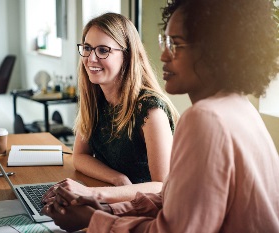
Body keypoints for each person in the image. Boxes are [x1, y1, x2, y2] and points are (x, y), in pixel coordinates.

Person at [42, 0, 279, 232]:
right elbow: (171, 199)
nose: (164, 55)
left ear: (213, 50)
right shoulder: (240, 107)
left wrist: (94, 219)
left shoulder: (205, 118)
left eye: (175, 44)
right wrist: (110, 210)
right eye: (164, 42)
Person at [42, 13, 179, 204]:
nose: (91, 58)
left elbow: (163, 185)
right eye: (88, 48)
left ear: (127, 55)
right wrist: (117, 179)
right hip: (114, 200)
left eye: (103, 50)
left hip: (145, 210)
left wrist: (93, 193)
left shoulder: (150, 109)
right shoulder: (95, 96)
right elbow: (80, 156)